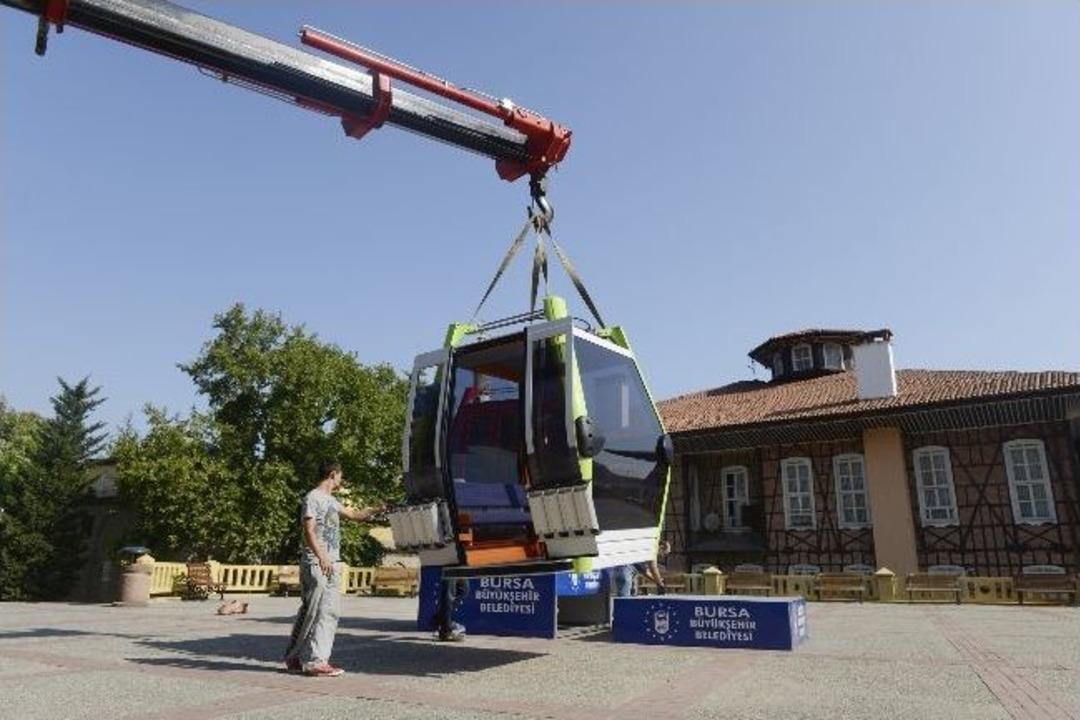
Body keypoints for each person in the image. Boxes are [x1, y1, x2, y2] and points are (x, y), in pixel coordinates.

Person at [283, 461, 382, 677]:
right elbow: (309, 531)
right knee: (312, 611)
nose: (341, 480)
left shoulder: (331, 501)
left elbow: (355, 515)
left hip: (332, 563)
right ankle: (294, 655)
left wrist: (377, 509)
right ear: (332, 474)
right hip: (316, 562)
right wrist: (322, 557)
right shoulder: (312, 498)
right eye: (340, 476)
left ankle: (318, 660)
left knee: (330, 612)